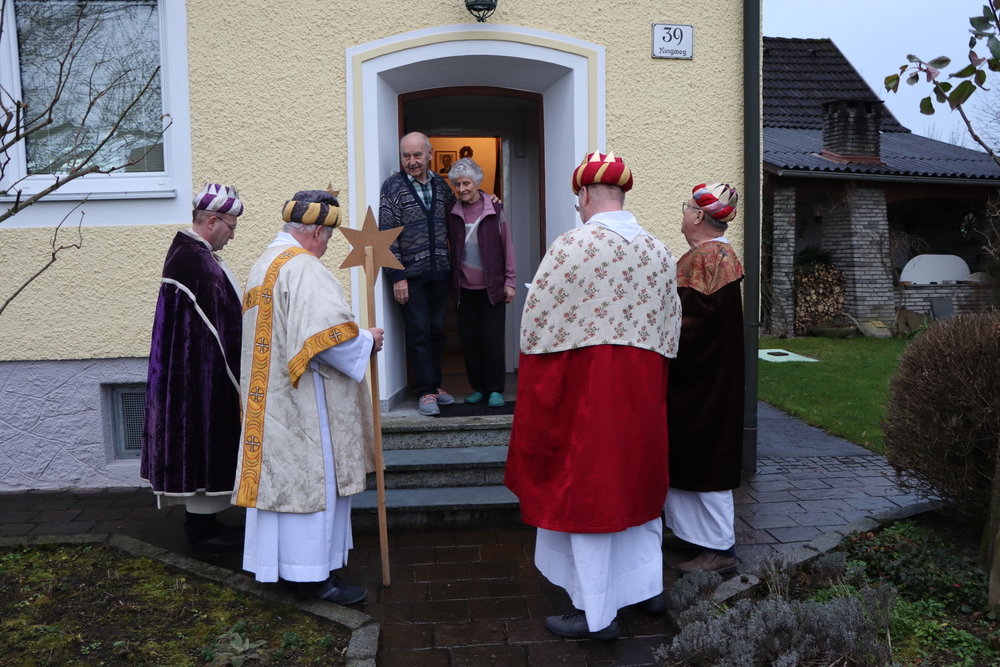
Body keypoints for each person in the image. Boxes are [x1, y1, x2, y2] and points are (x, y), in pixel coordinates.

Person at [505, 151, 682, 640]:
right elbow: (672, 334)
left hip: (589, 396)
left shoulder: (571, 247)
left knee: (589, 494)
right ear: (622, 193)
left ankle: (596, 613)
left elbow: (537, 332)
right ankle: (647, 590)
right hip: (642, 396)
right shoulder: (660, 251)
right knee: (638, 488)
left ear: (583, 195)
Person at [233, 189, 382, 604]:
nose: (327, 246)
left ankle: (280, 568)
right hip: (304, 404)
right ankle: (315, 578)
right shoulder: (304, 268)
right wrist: (367, 341)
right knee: (312, 481)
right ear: (315, 231)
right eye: (328, 237)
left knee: (281, 483)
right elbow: (325, 340)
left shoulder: (264, 264)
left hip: (270, 404)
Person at [141, 183, 246, 550]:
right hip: (200, 376)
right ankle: (202, 532)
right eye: (231, 228)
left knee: (200, 445)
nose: (232, 236)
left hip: (192, 371)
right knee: (203, 441)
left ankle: (207, 524)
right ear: (213, 221)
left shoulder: (190, 254)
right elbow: (228, 328)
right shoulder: (197, 261)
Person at [662, 182, 745, 575]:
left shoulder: (706, 258)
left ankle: (719, 549)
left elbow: (689, 325)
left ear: (698, 215)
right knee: (690, 453)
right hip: (704, 377)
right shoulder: (716, 254)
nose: (683, 213)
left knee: (706, 456)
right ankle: (695, 535)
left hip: (702, 381)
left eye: (685, 207)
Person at [378, 132, 456, 416]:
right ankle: (424, 391)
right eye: (406, 156)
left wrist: (490, 200)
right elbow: (386, 235)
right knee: (419, 332)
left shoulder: (442, 186)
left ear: (430, 153)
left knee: (437, 332)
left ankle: (435, 385)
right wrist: (397, 276)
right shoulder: (393, 187)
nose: (411, 161)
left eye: (417, 155)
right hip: (410, 276)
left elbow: (460, 214)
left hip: (440, 272)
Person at [446, 158, 516, 408]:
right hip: (464, 289)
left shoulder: (495, 209)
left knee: (493, 339)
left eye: (466, 183)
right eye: (457, 184)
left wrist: (510, 280)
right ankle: (479, 388)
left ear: (477, 182)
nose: (462, 188)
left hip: (492, 288)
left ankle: (496, 389)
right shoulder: (452, 211)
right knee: (470, 341)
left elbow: (507, 245)